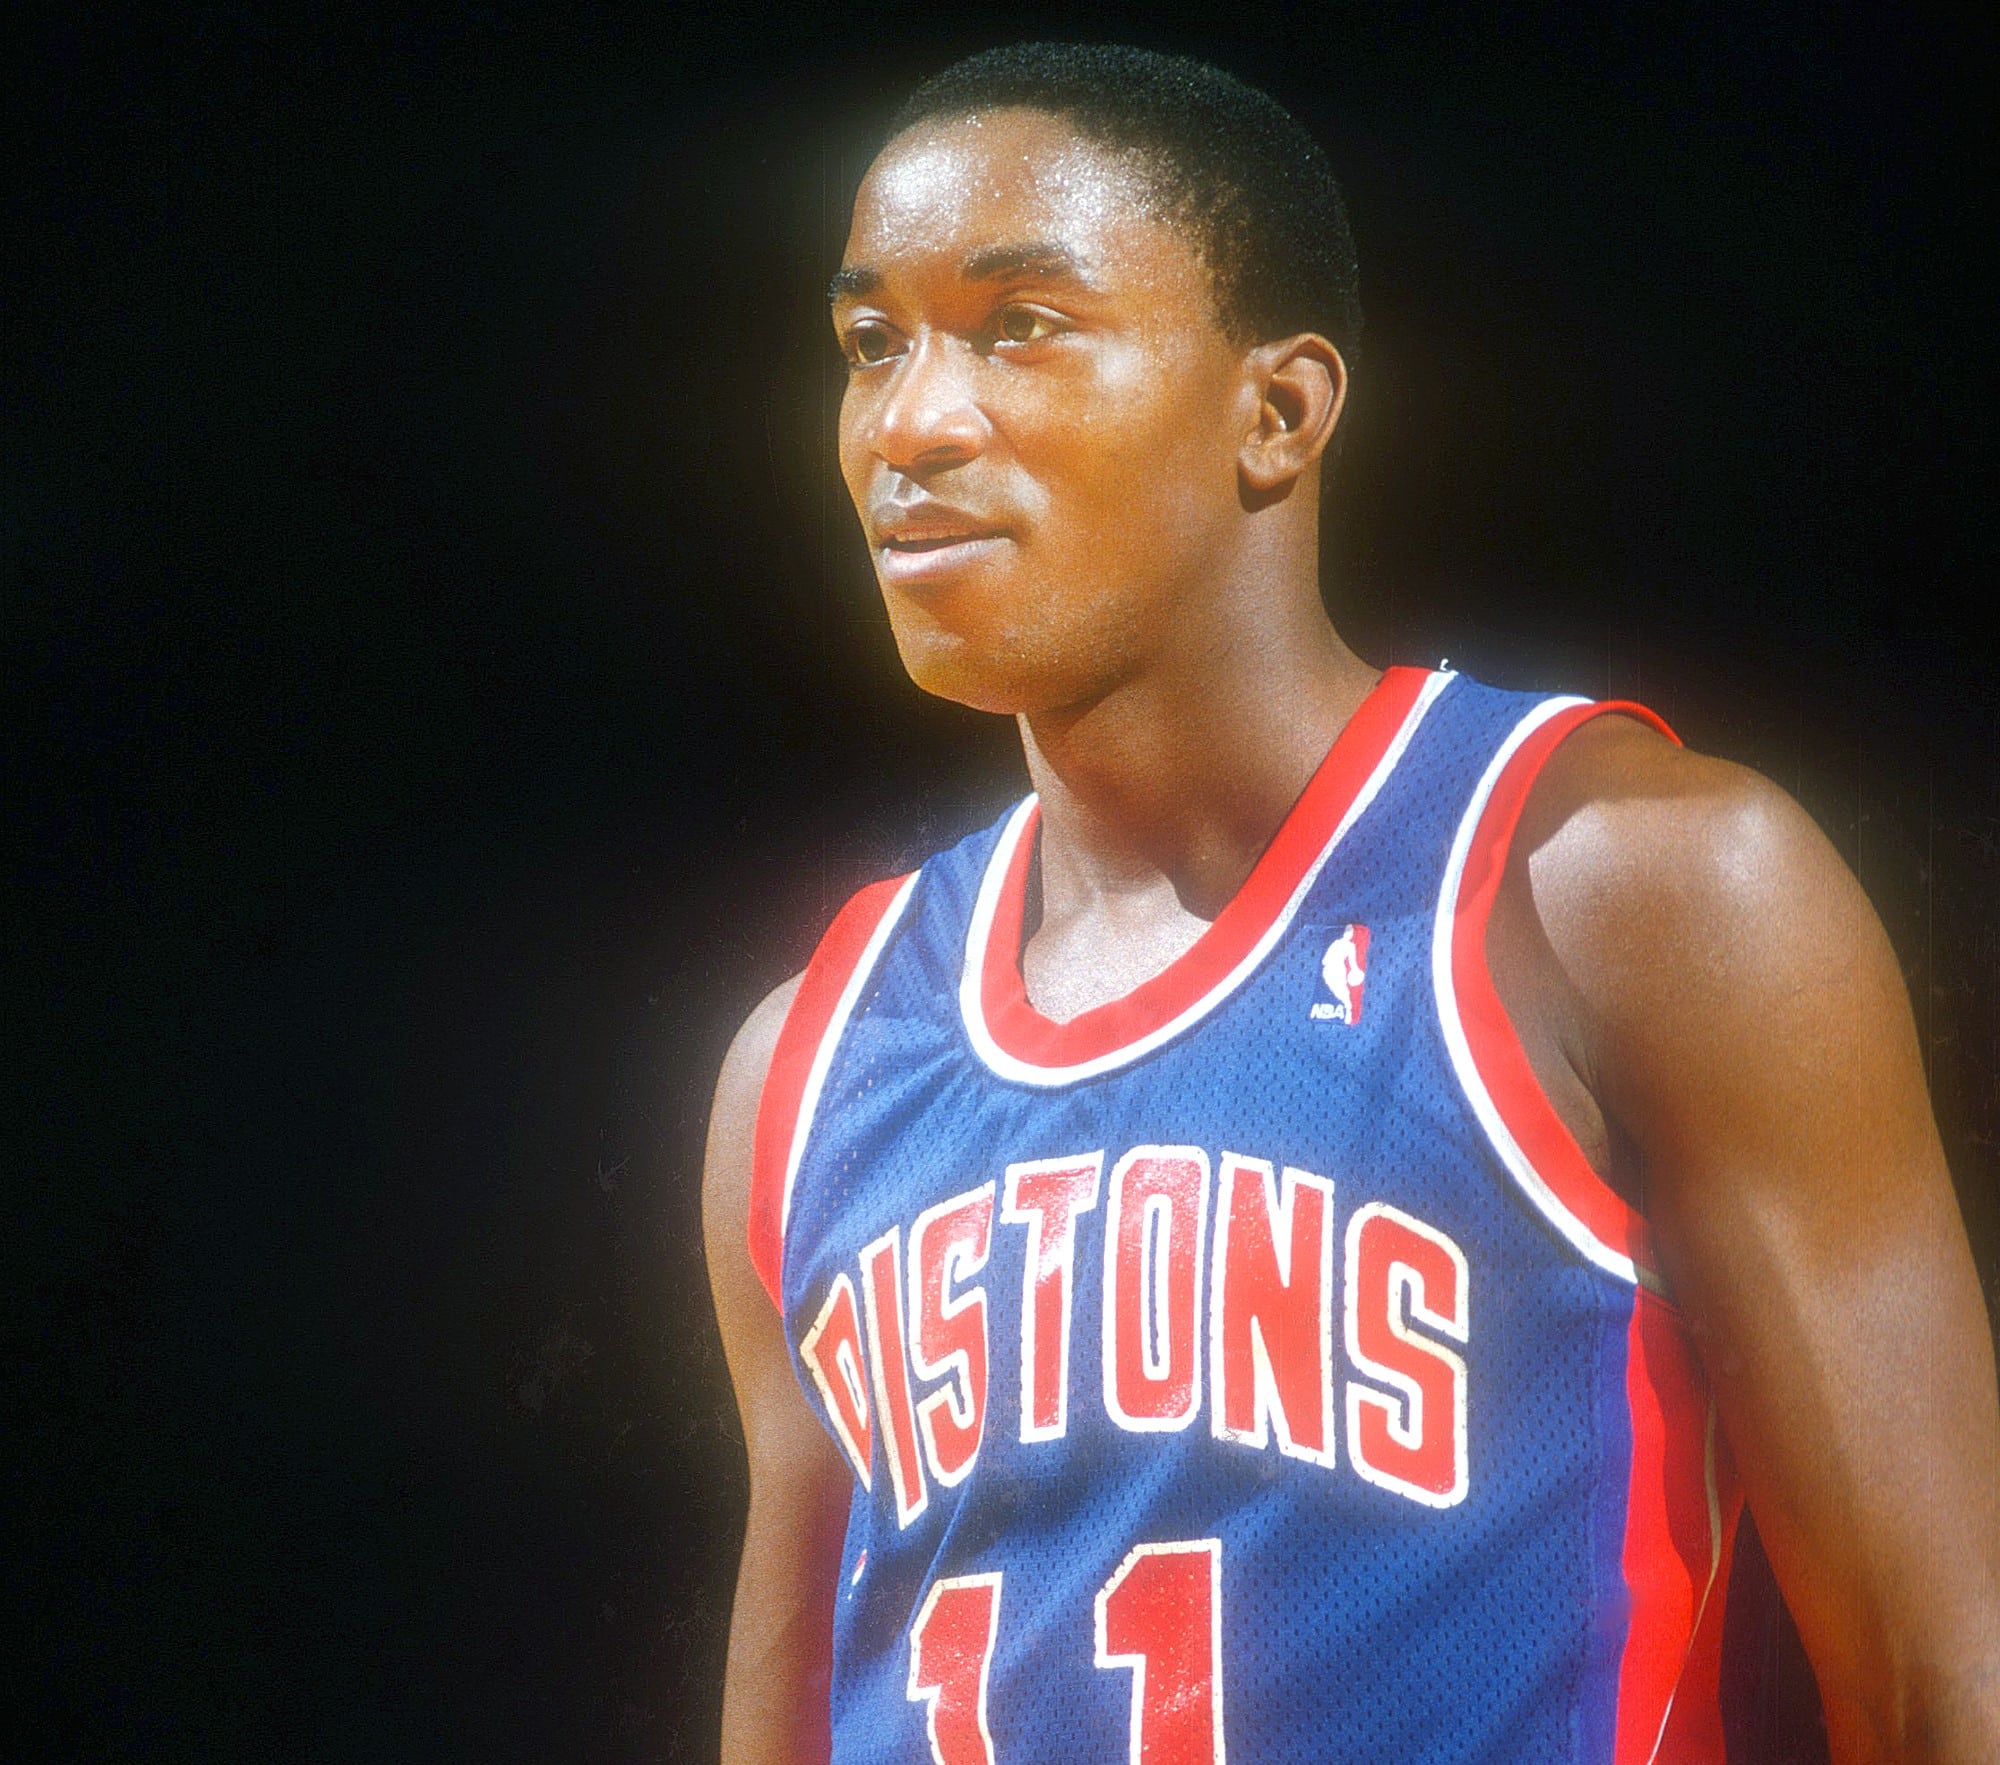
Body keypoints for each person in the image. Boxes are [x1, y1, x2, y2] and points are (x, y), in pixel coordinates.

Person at [702, 43, 2000, 1764]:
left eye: (1020, 326)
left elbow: (1939, 1687)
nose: (914, 421)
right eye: (874, 346)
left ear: (1280, 412)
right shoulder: (803, 1058)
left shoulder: (1625, 886)